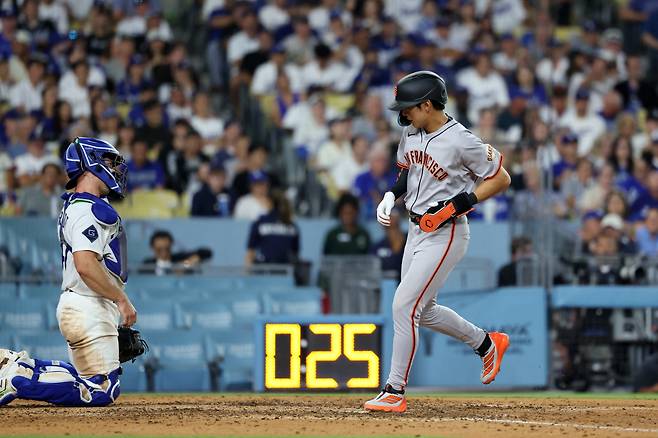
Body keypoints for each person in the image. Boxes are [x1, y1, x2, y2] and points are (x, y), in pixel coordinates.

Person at [365, 71, 512, 413]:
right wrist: (390, 195)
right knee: (423, 309)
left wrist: (458, 204)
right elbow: (406, 172)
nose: (403, 114)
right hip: (415, 230)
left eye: (409, 107)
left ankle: (394, 389)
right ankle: (486, 343)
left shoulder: (461, 140)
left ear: (427, 104)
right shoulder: (411, 132)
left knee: (404, 306)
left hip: (445, 232)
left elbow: (500, 178)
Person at [0, 137, 137, 407]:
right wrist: (121, 299)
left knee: (84, 379)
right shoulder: (92, 209)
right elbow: (86, 264)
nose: (115, 169)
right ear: (90, 163)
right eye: (109, 161)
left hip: (80, 304)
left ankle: (17, 365)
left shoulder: (75, 205)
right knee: (102, 390)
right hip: (89, 305)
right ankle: (18, 377)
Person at [245, 191, 300, 266]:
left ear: (269, 202)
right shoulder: (292, 226)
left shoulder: (260, 222)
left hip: (264, 271)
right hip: (285, 271)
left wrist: (248, 273)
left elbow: (250, 253)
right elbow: (295, 254)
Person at [139, 230, 212, 276]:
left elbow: (206, 253)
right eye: (159, 250)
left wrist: (185, 265)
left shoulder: (179, 258)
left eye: (167, 249)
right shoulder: (147, 265)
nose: (164, 253)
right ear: (152, 247)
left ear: (171, 245)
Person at [370, 207, 406, 280]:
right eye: (387, 213)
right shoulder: (377, 247)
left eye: (393, 212)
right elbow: (373, 268)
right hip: (384, 285)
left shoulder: (411, 241)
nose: (390, 216)